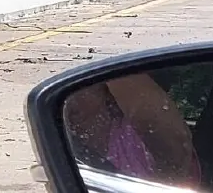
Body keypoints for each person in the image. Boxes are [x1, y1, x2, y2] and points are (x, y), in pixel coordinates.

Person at [64, 74, 201, 187]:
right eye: (63, 90)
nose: (69, 100)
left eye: (78, 85)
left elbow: (176, 146)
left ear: (106, 92)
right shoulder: (58, 138)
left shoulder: (136, 139)